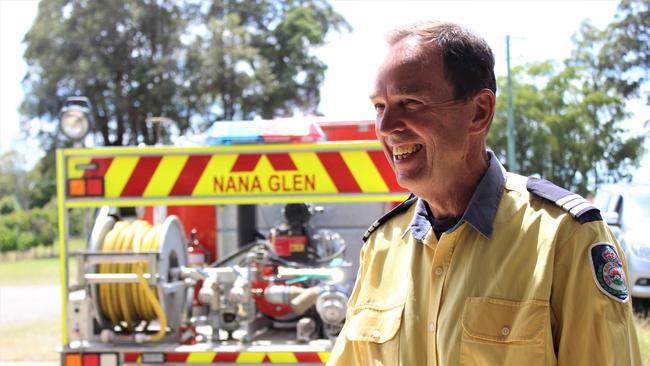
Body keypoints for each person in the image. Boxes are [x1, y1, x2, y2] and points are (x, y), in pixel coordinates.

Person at [328, 21, 641, 365]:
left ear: (478, 112)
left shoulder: (565, 238)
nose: (387, 128)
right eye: (379, 107)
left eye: (411, 102)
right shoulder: (382, 246)